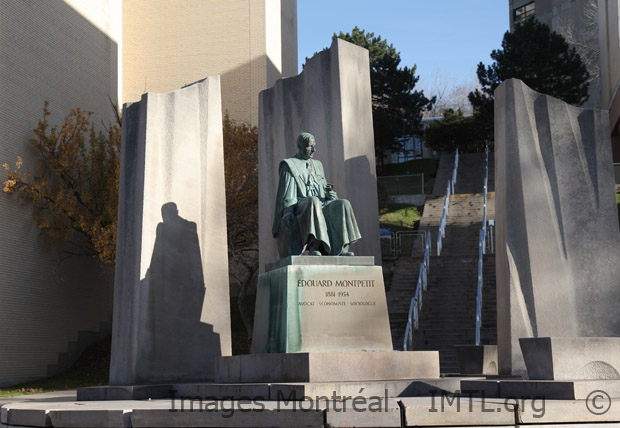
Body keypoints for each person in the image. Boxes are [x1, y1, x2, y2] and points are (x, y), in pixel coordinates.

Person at [272, 132, 361, 257]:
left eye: (314, 146)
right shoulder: (289, 165)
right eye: (309, 146)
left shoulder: (318, 165)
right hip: (302, 206)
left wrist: (330, 196)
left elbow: (323, 189)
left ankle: (340, 250)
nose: (314, 150)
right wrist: (288, 212)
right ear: (300, 146)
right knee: (313, 201)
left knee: (343, 204)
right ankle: (314, 246)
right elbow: (288, 194)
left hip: (322, 203)